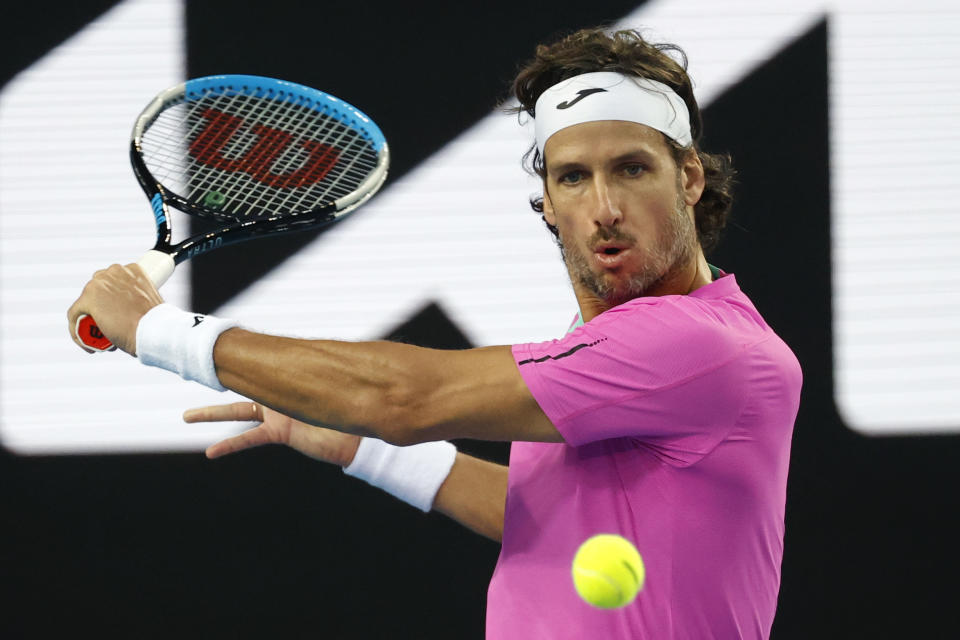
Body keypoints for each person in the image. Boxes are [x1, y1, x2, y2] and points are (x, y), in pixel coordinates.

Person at [67, 27, 802, 640]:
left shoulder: (699, 347)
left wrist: (157, 328)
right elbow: (554, 523)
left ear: (691, 179)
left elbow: (406, 397)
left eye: (632, 169)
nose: (604, 205)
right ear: (545, 201)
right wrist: (363, 449)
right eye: (573, 177)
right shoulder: (620, 349)